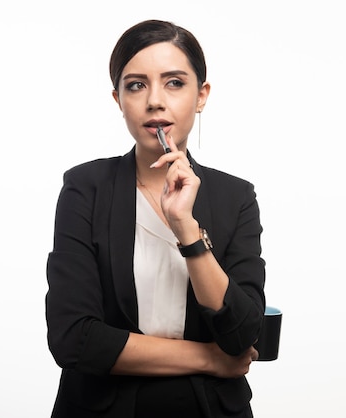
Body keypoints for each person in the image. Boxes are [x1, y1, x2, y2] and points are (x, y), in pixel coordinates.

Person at [45, 19, 266, 418]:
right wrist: (208, 359)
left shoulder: (236, 197)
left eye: (175, 83)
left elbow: (242, 336)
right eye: (136, 85)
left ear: (202, 96)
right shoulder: (85, 188)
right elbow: (74, 340)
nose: (155, 101)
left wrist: (186, 228)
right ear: (118, 99)